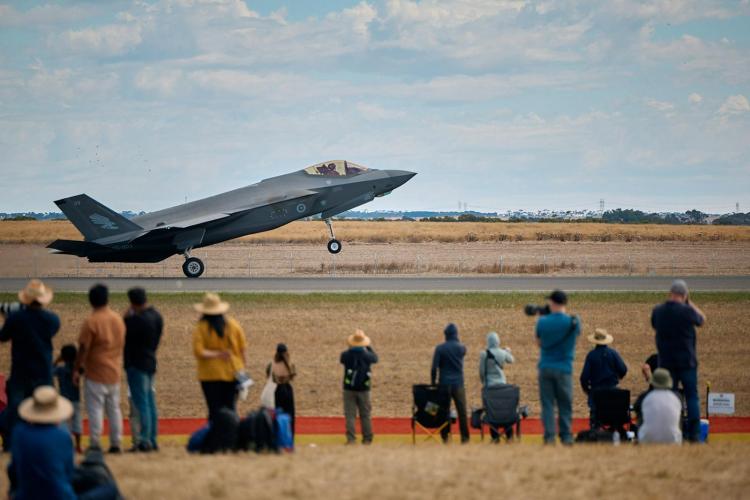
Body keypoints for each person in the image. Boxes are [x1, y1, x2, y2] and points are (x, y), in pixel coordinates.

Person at [6, 386, 121, 500]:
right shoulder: (62, 436)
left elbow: (12, 469)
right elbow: (68, 474)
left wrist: (13, 493)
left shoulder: (19, 433)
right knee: (110, 488)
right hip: (60, 496)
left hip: (26, 496)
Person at [0, 279, 60, 450]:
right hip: (43, 371)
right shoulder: (51, 319)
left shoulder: (17, 319)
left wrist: (9, 318)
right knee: (45, 408)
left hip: (21, 371)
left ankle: (11, 443)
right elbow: (53, 329)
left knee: (16, 409)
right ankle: (45, 442)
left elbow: (3, 336)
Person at [651, 279, 706, 442]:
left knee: (668, 396)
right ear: (684, 295)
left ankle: (669, 431)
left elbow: (654, 325)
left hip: (666, 362)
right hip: (687, 362)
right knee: (691, 397)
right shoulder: (687, 311)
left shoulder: (658, 311)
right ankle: (694, 435)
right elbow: (702, 319)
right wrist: (689, 303)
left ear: (670, 293)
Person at [74, 284, 126, 453]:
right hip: (114, 372)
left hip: (95, 373)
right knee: (114, 409)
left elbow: (83, 347)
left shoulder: (91, 321)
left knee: (95, 409)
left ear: (90, 300)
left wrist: (77, 367)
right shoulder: (117, 319)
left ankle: (95, 443)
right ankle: (116, 443)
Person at [192, 293, 247, 420]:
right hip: (233, 371)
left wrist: (216, 354)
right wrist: (243, 368)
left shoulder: (201, 327)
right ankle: (232, 435)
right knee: (231, 407)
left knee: (213, 409)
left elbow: (198, 351)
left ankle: (215, 436)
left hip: (209, 374)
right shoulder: (233, 325)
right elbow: (242, 349)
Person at [536, 290, 581, 445]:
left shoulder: (542, 322)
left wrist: (543, 317)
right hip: (564, 368)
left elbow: (539, 343)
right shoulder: (574, 322)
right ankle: (566, 436)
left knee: (548, 405)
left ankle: (549, 437)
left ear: (553, 303)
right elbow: (576, 336)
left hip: (546, 366)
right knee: (565, 404)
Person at [123, 287, 164, 452]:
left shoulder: (135, 321)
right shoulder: (156, 316)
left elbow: (123, 328)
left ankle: (144, 440)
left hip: (136, 363)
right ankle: (152, 438)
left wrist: (128, 313)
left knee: (141, 403)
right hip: (150, 360)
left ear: (132, 302)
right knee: (150, 402)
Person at [579, 328, 628, 427]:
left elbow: (584, 377)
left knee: (595, 419)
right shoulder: (613, 353)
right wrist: (618, 378)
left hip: (596, 392)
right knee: (614, 418)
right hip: (612, 391)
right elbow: (623, 369)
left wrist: (587, 390)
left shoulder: (591, 355)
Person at [431, 323, 469, 443]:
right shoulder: (462, 348)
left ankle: (445, 437)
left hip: (444, 384)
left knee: (444, 412)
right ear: (456, 334)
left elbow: (433, 368)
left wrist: (433, 382)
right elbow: (463, 352)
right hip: (458, 384)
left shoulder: (440, 348)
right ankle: (465, 438)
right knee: (462, 412)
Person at [340, 329, 378, 444]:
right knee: (365, 414)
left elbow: (342, 359)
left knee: (350, 415)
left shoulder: (346, 355)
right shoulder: (367, 356)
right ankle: (367, 438)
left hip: (349, 388)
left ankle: (351, 439)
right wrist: (369, 347)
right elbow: (375, 358)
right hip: (364, 388)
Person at [479, 331, 514, 442]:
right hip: (502, 386)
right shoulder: (502, 353)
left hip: (489, 387)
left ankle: (495, 436)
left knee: (491, 410)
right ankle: (509, 435)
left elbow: (481, 372)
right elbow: (511, 360)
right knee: (503, 409)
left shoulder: (484, 354)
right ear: (498, 341)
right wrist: (507, 351)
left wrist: (484, 382)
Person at [638, 368, 683, 444]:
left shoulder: (645, 396)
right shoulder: (677, 396)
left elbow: (637, 412)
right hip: (674, 441)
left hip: (647, 441)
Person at [54, 344, 83, 453]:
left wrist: (57, 360)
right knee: (77, 423)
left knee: (64, 424)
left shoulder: (60, 369)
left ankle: (65, 445)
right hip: (76, 400)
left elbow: (50, 370)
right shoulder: (77, 369)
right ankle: (78, 446)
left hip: (64, 400)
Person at [266, 343, 296, 435]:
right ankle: (290, 434)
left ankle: (278, 434)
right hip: (287, 389)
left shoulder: (271, 364)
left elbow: (268, 376)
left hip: (277, 390)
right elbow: (292, 376)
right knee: (290, 413)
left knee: (278, 413)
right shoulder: (290, 364)